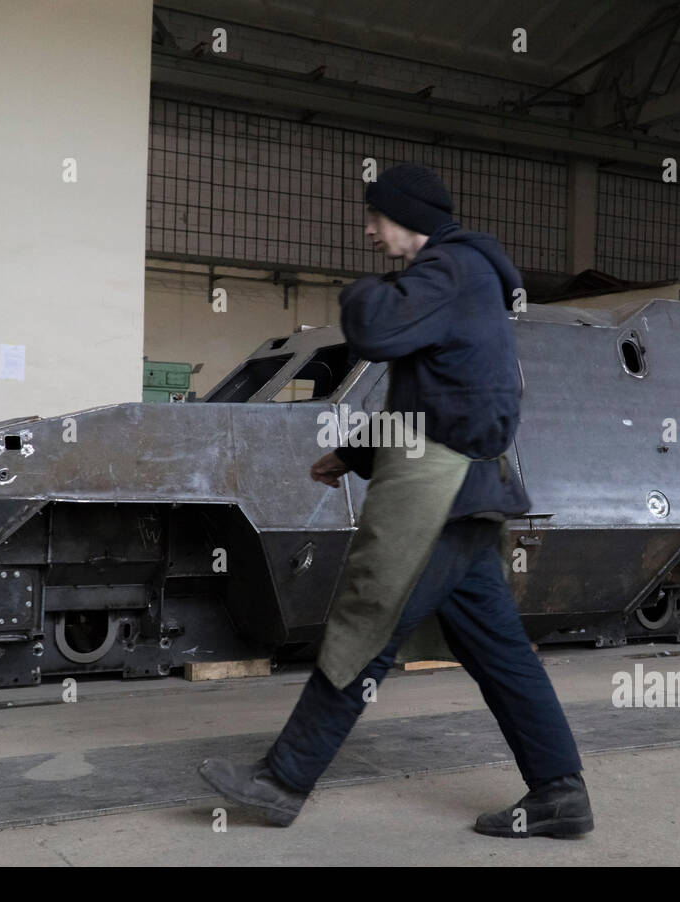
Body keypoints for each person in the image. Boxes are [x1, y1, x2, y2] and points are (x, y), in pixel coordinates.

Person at [199, 164, 592, 839]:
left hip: (438, 494)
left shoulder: (449, 271)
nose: (368, 229)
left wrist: (356, 292)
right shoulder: (466, 278)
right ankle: (561, 792)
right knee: (500, 653)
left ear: (408, 217)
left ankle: (281, 781)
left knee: (365, 626)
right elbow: (438, 395)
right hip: (469, 492)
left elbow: (377, 334)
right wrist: (356, 453)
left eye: (376, 216)